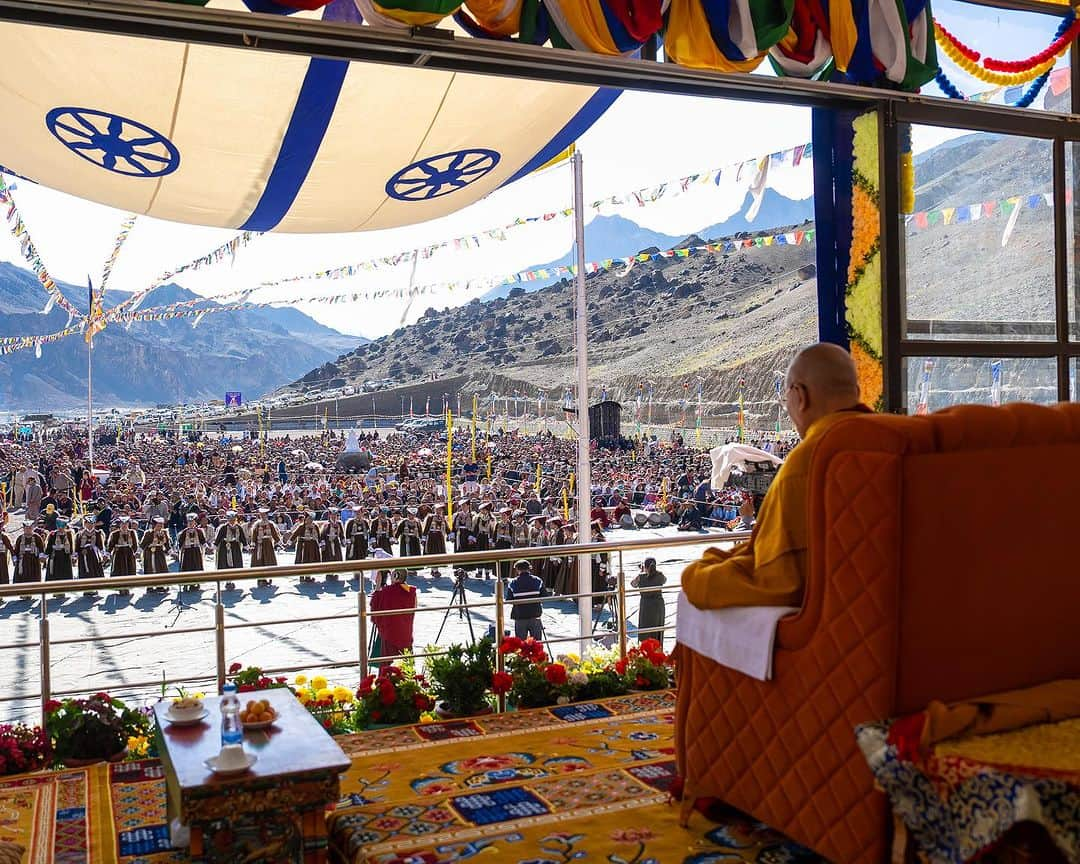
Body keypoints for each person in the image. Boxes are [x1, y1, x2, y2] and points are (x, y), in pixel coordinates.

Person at [681, 343, 866, 610]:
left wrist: (696, 573)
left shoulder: (806, 466)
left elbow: (769, 574)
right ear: (857, 393)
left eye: (785, 399)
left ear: (800, 396)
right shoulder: (906, 440)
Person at [369, 569, 417, 665]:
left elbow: (375, 606)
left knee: (389, 663)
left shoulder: (387, 591)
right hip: (406, 633)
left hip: (390, 634)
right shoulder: (411, 591)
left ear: (395, 576)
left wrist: (378, 586)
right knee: (405, 661)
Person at [505, 559, 549, 641]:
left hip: (520, 615)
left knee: (521, 643)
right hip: (535, 614)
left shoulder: (512, 583)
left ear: (517, 570)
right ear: (529, 568)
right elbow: (545, 596)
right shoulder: (538, 580)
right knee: (536, 642)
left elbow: (509, 600)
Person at [631, 557, 667, 642]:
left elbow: (633, 584)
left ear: (645, 567)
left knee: (645, 630)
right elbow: (665, 581)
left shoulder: (640, 577)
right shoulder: (660, 575)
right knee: (657, 629)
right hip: (658, 605)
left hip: (646, 605)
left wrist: (642, 572)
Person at [107, 516, 139, 595]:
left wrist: (135, 553)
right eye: (122, 524)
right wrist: (107, 554)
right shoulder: (114, 534)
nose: (124, 525)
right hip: (119, 554)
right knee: (120, 571)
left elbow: (135, 544)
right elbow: (110, 545)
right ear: (120, 524)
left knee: (129, 569)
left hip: (129, 554)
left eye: (126, 523)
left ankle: (128, 587)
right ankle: (120, 587)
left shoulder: (132, 532)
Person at [75, 514, 106, 596]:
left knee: (94, 570)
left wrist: (103, 555)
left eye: (92, 523)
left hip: (94, 555)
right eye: (88, 523)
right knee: (85, 571)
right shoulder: (80, 534)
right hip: (84, 556)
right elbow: (77, 547)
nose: (90, 525)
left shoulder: (98, 533)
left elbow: (100, 546)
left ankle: (94, 587)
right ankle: (86, 588)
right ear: (85, 524)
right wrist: (78, 553)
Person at [141, 516, 171, 592]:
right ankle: (150, 586)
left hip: (159, 552)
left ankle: (160, 585)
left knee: (161, 568)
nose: (160, 527)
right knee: (150, 568)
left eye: (161, 525)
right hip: (149, 553)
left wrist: (170, 551)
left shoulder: (164, 532)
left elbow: (167, 544)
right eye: (158, 525)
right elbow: (143, 544)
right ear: (154, 525)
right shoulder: (148, 533)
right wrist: (138, 552)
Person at [177, 513, 206, 591]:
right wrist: (178, 549)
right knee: (187, 567)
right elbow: (180, 542)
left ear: (195, 522)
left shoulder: (199, 531)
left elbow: (202, 540)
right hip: (187, 551)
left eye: (192, 522)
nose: (190, 523)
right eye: (189, 522)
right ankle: (186, 583)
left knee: (196, 566)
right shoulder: (184, 532)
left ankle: (196, 582)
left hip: (196, 550)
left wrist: (206, 546)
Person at [13, 522, 44, 592]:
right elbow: (16, 550)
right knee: (23, 576)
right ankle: (23, 592)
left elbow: (41, 548)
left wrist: (41, 557)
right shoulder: (20, 538)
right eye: (26, 528)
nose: (28, 530)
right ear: (23, 529)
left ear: (32, 528)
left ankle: (32, 591)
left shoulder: (37, 537)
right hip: (23, 561)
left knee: (33, 576)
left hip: (34, 561)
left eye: (30, 528)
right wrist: (15, 559)